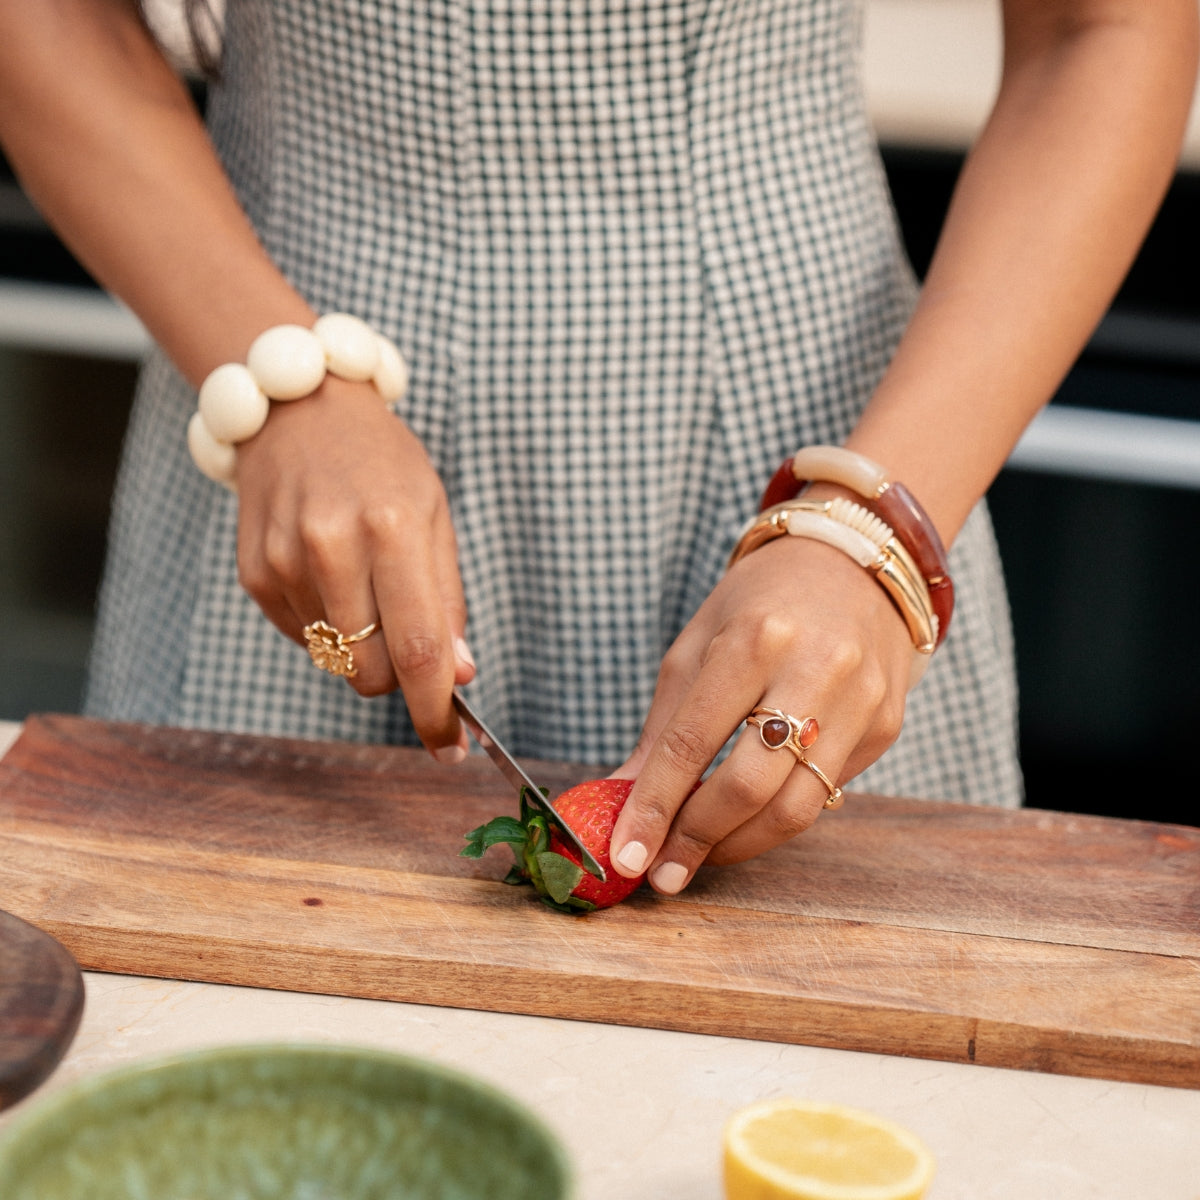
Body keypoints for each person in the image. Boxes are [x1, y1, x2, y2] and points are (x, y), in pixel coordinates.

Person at [0, 0, 1194, 898]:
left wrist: (875, 526)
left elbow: (1106, 32)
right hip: (280, 431)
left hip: (827, 489)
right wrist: (272, 376)